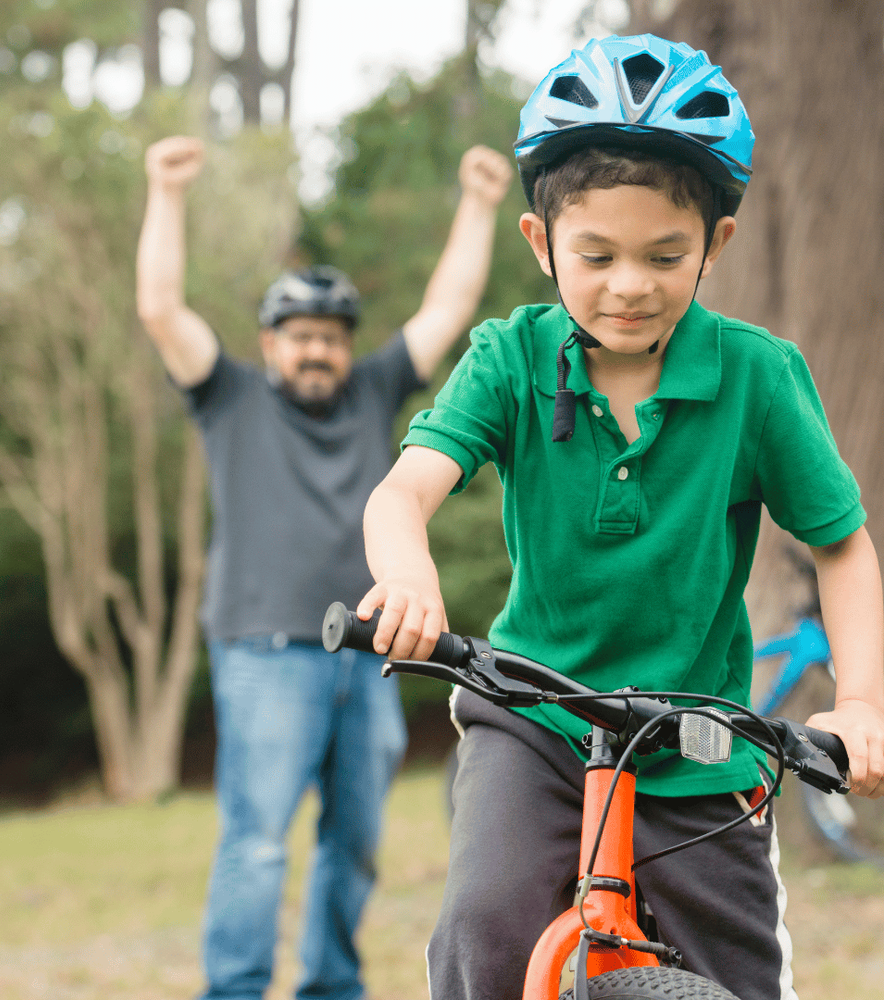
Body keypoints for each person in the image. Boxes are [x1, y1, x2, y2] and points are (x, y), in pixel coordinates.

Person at [356, 34, 884, 1000]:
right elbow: (402, 493)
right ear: (541, 242)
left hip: (698, 742)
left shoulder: (758, 377)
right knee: (484, 927)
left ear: (716, 245)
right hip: (535, 722)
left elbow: (841, 544)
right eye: (595, 255)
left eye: (665, 255)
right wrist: (406, 573)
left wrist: (859, 705)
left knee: (740, 973)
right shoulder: (510, 358)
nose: (630, 284)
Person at [135, 133, 513, 1000]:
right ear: (270, 344)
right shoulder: (227, 396)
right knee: (259, 842)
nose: (316, 351)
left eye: (331, 338)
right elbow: (160, 307)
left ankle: (333, 987)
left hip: (368, 656)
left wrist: (481, 203)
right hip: (265, 653)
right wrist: (166, 191)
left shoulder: (372, 393)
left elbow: (449, 307)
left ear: (349, 346)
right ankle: (235, 991)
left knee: (357, 844)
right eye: (299, 336)